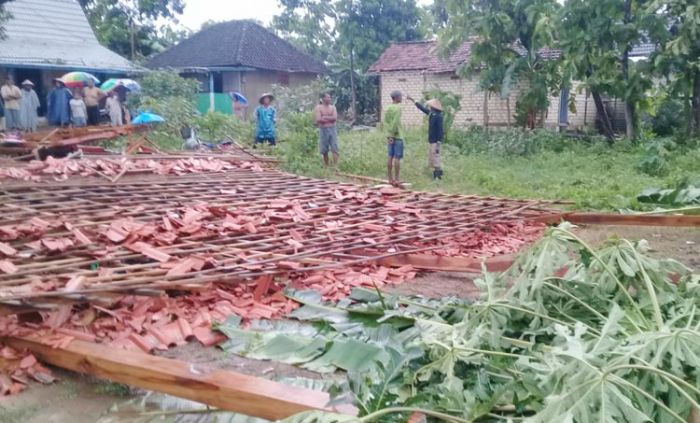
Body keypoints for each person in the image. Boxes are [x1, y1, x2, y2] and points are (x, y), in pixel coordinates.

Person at [407, 96, 444, 180]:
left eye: (431, 106)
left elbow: (440, 130)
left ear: (434, 107)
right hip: (431, 139)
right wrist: (414, 101)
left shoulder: (439, 116)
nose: (430, 107)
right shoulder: (432, 114)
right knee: (432, 156)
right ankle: (438, 173)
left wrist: (439, 141)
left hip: (436, 140)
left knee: (436, 156)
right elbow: (422, 109)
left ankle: (437, 175)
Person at [384, 90, 405, 186]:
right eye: (400, 96)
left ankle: (389, 178)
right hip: (397, 135)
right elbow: (395, 122)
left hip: (389, 135)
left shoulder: (388, 108)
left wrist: (389, 135)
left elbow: (386, 121)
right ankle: (396, 179)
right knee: (397, 157)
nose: (402, 98)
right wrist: (393, 134)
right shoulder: (398, 108)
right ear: (396, 98)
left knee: (390, 156)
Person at [314, 93, 339, 167]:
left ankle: (335, 166)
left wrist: (324, 117)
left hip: (332, 128)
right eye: (327, 97)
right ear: (323, 99)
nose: (329, 99)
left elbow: (335, 118)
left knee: (335, 147)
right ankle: (326, 166)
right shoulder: (318, 108)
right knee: (324, 149)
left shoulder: (333, 107)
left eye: (330, 97)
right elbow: (318, 119)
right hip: (323, 129)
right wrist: (329, 118)